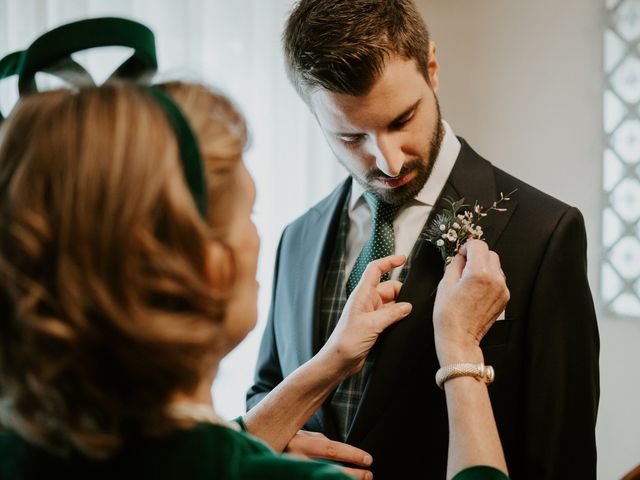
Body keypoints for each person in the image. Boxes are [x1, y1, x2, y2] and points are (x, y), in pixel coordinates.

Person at [0, 25, 511, 477]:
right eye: (247, 212)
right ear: (205, 264)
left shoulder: (19, 448)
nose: (260, 232)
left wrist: (330, 361)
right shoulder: (301, 235)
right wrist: (462, 354)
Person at [247, 1, 600, 479]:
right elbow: (267, 386)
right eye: (352, 138)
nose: (388, 161)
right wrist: (277, 452)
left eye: (400, 120)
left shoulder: (544, 232)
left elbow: (561, 459)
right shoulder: (298, 236)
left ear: (431, 68)